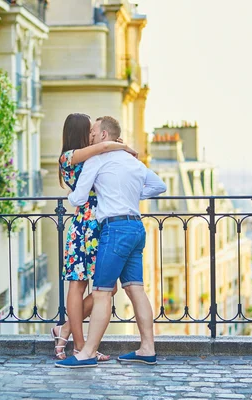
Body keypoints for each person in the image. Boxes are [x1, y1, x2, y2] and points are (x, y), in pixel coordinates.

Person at [55, 116, 166, 369]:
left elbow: (78, 197)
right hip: (136, 227)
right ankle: (147, 348)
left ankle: (86, 353)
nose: (91, 135)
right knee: (135, 288)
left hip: (114, 229)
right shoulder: (130, 161)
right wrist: (131, 194)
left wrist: (90, 195)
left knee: (102, 292)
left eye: (94, 131)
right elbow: (160, 186)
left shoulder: (97, 159)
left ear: (104, 134)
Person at [51, 113, 138, 361]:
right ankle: (79, 345)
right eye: (89, 129)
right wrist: (123, 146)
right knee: (78, 285)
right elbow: (104, 145)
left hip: (100, 225)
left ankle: (65, 329)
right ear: (79, 132)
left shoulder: (94, 155)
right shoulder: (69, 156)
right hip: (84, 225)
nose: (92, 134)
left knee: (106, 289)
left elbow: (105, 148)